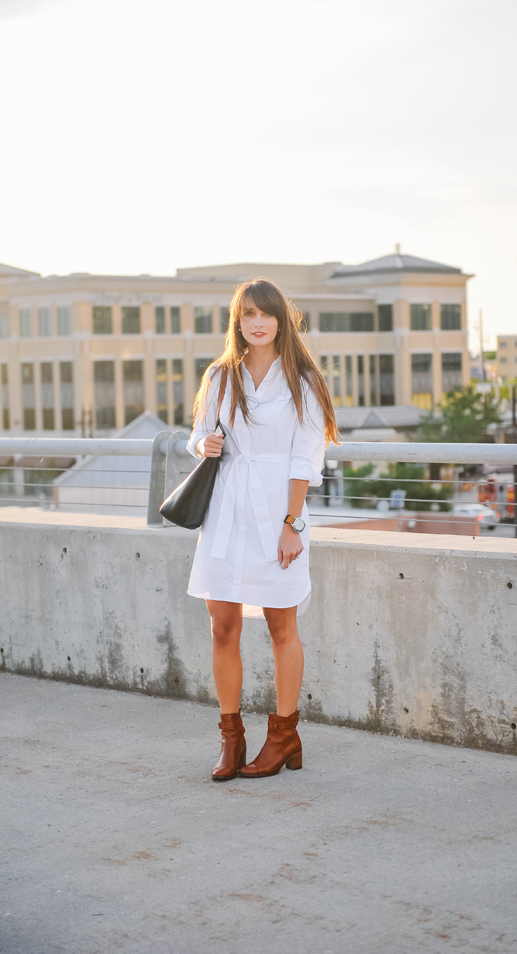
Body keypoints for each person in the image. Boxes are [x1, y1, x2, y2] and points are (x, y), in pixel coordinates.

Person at [186, 278, 338, 780]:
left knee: (280, 626)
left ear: (282, 320)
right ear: (237, 320)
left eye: (266, 314)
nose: (256, 322)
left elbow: (305, 459)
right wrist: (204, 444)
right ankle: (231, 738)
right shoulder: (220, 376)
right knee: (222, 626)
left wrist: (292, 525)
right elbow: (199, 436)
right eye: (247, 313)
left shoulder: (304, 380)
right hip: (226, 512)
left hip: (278, 514)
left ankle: (284, 735)